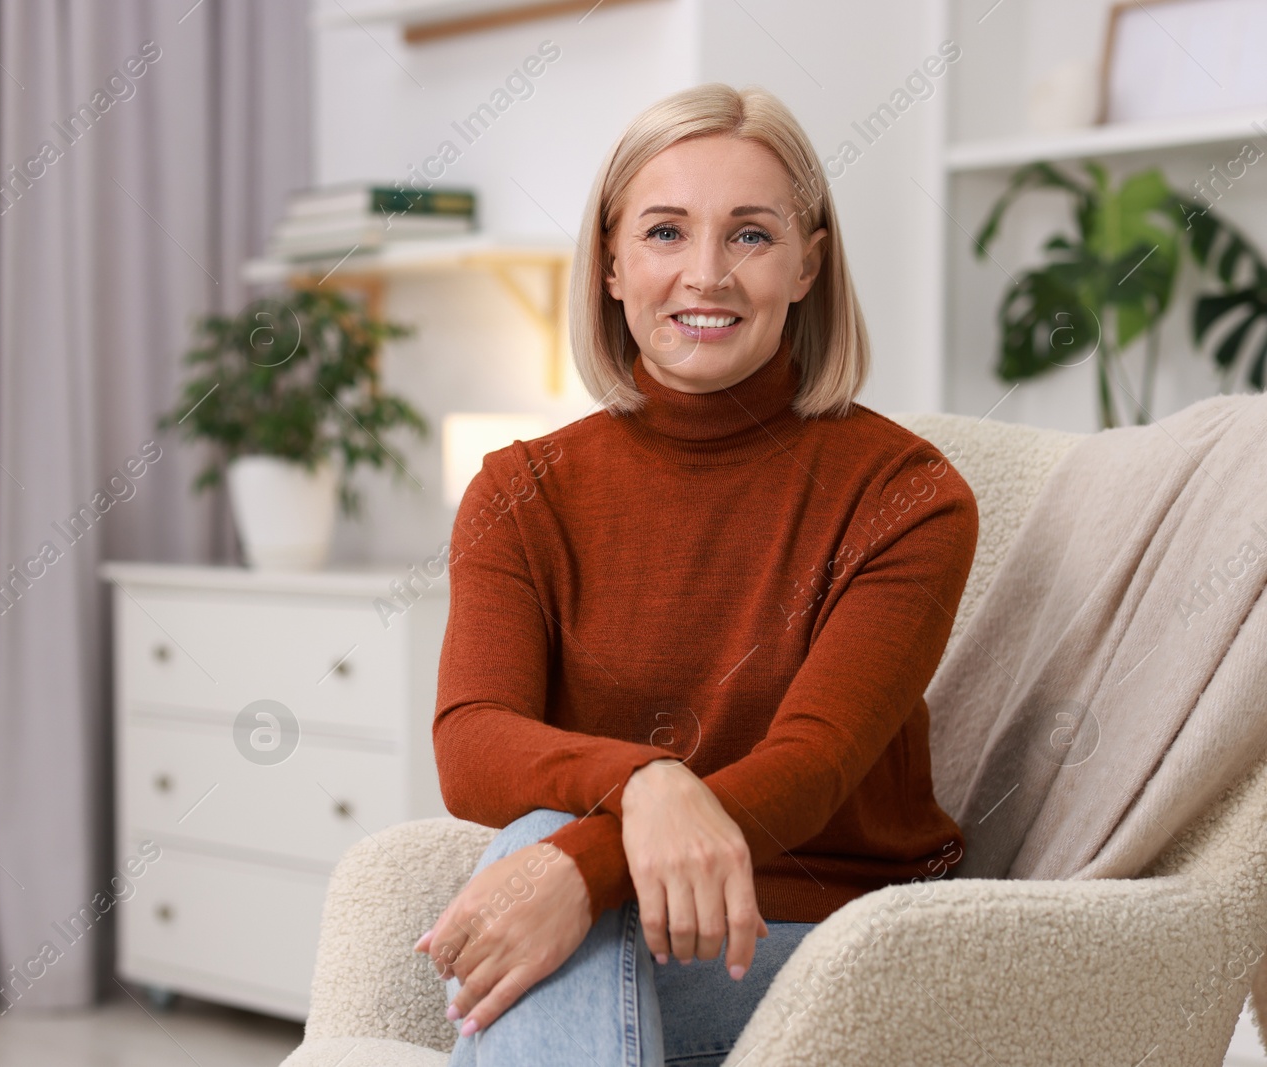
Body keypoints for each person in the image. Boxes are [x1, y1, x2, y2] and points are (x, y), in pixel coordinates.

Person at [414, 82, 979, 1067]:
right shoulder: (518, 490)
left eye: (750, 236)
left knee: (546, 863)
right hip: (629, 933)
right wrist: (644, 784)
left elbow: (812, 768)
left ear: (807, 262)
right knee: (544, 848)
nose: (705, 275)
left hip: (833, 941)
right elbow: (471, 741)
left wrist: (580, 861)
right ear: (611, 263)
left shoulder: (905, 493)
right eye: (666, 232)